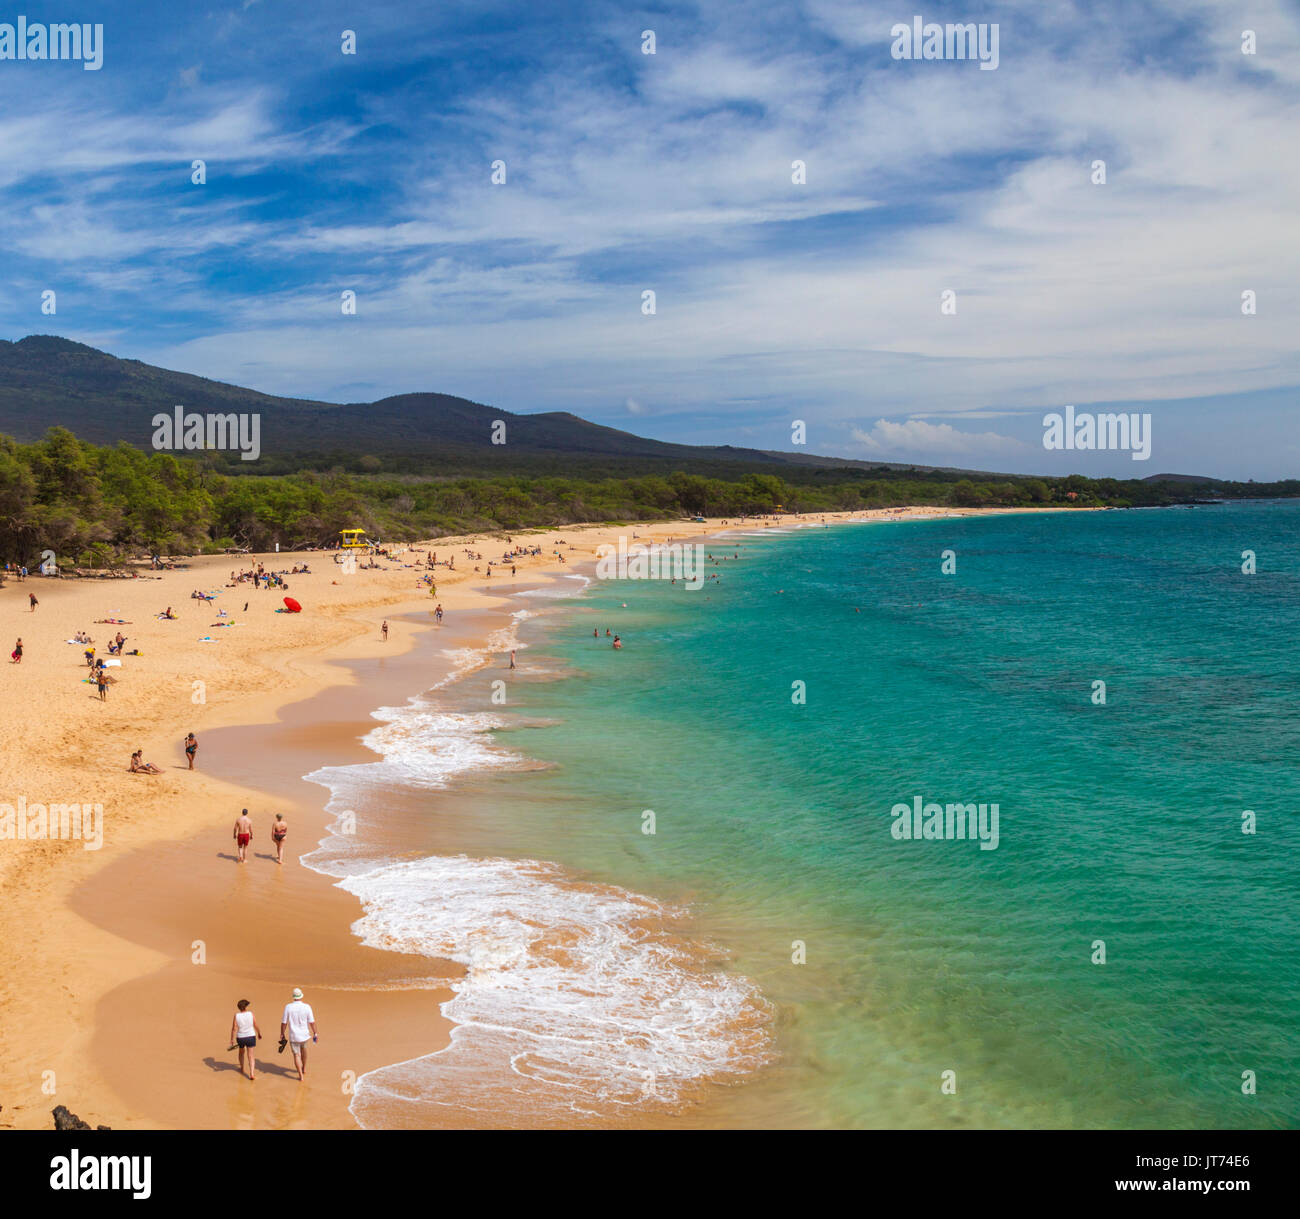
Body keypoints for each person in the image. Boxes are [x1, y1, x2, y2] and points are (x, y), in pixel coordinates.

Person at [280, 988, 318, 1081]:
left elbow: (284, 1022)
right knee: (304, 1051)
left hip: (294, 1036)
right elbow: (312, 1022)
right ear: (301, 996)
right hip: (304, 1035)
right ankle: (304, 1068)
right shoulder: (307, 1007)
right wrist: (315, 1033)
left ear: (293, 997)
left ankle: (301, 1075)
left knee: (297, 1055)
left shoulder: (288, 1007)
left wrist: (282, 1033)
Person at [229, 999, 262, 1081]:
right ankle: (251, 1073)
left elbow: (234, 1028)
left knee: (241, 1052)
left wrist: (231, 1039)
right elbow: (255, 1024)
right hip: (250, 1036)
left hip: (240, 1037)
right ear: (246, 1007)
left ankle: (242, 1068)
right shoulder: (250, 1014)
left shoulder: (236, 1015)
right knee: (250, 1055)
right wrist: (259, 1033)